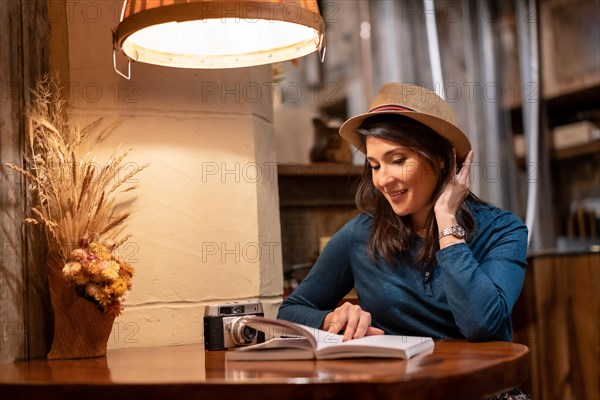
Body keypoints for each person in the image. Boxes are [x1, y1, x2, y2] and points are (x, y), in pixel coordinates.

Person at [277, 82, 528, 343]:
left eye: (397, 161)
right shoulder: (361, 234)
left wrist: (446, 220)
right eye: (375, 166)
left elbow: (481, 325)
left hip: (480, 384)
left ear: (442, 158)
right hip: (398, 383)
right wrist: (331, 319)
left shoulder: (503, 230)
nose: (383, 179)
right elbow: (289, 312)